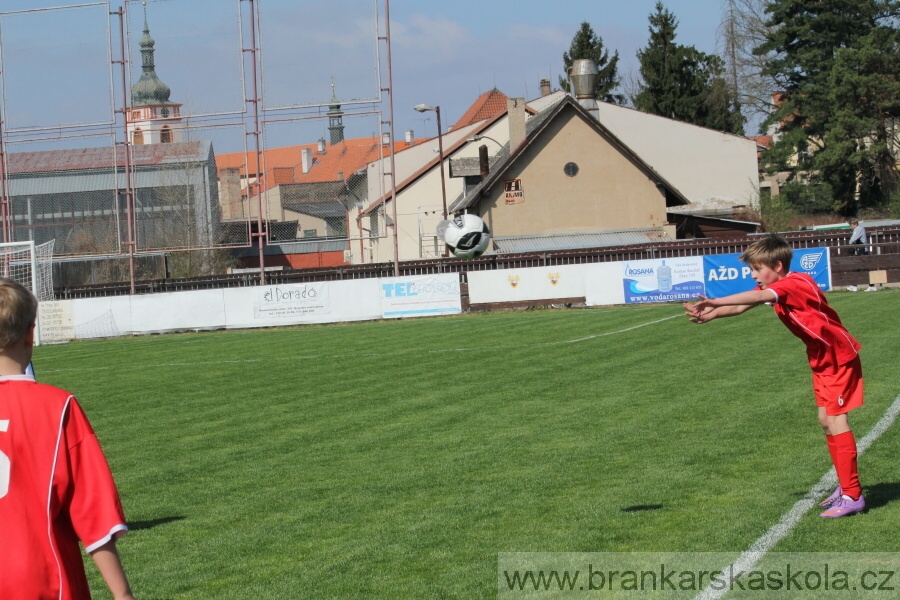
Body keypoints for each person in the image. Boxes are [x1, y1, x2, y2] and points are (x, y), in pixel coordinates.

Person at [683, 234, 866, 518]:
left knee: (835, 419)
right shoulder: (781, 287)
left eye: (757, 269)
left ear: (777, 266)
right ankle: (845, 487)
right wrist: (714, 314)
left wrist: (715, 301)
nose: (754, 275)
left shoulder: (793, 284)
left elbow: (755, 297)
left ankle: (852, 494)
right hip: (821, 359)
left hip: (838, 357)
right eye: (751, 270)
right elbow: (746, 304)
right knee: (825, 421)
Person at [0, 278, 136, 599]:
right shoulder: (58, 407)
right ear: (31, 333)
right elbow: (94, 513)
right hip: (41, 580)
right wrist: (122, 593)